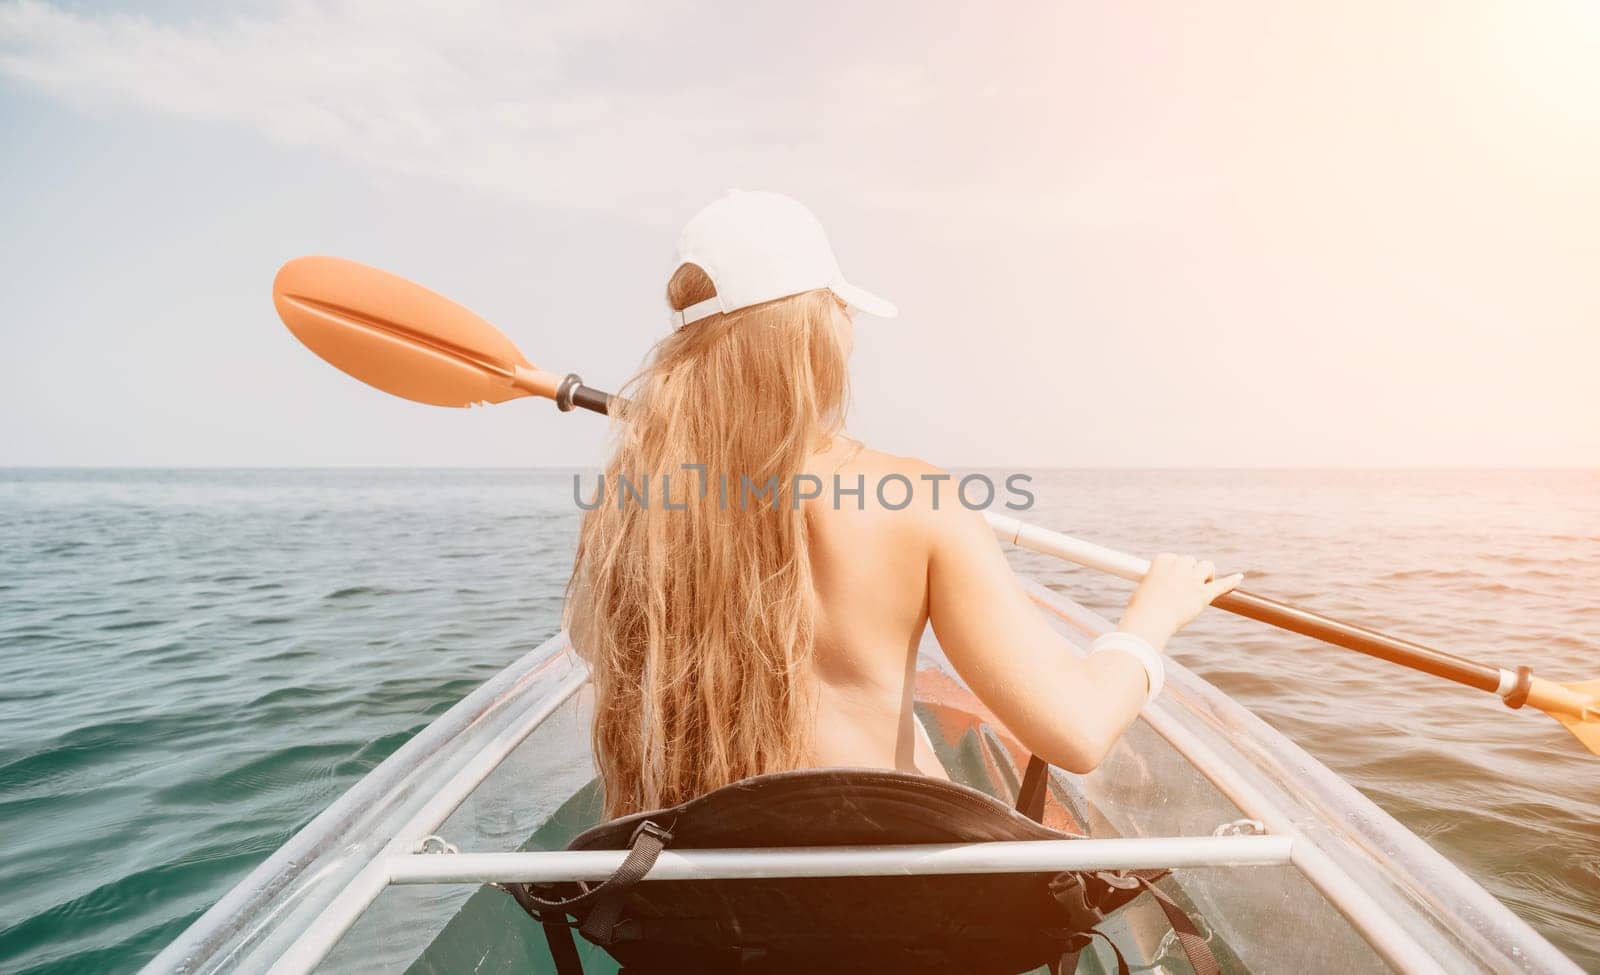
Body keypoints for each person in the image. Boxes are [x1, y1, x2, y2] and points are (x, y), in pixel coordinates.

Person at [567, 190, 1242, 818]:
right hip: (890, 908)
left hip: (703, 916)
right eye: (843, 310)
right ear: (811, 334)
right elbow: (1079, 730)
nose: (851, 327)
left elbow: (600, 649)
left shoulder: (629, 510)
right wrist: (1150, 618)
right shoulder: (919, 501)